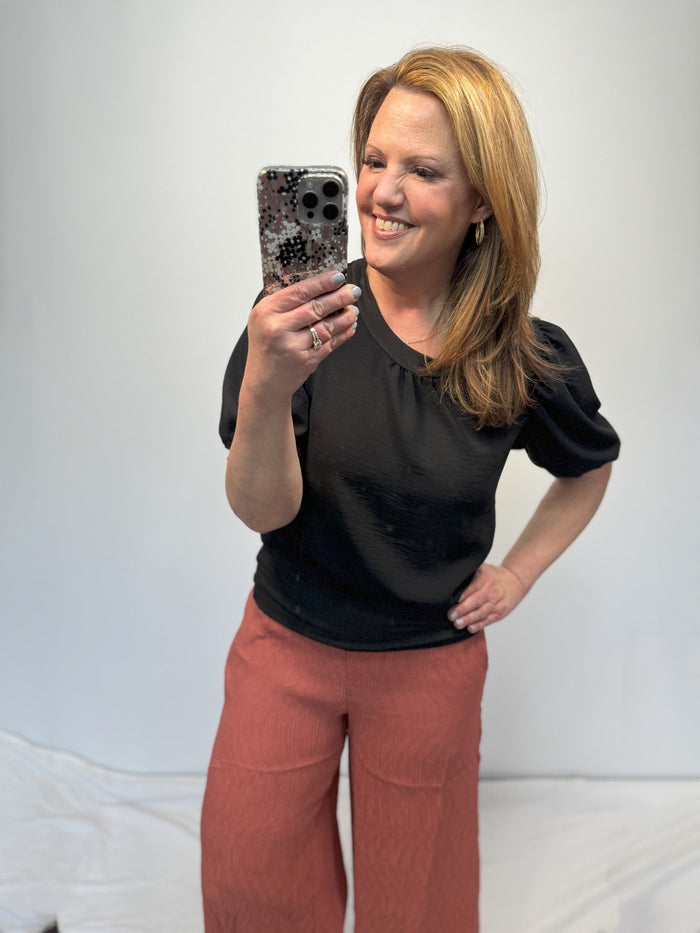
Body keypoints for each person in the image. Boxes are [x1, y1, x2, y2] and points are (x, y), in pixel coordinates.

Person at [200, 46, 620, 933]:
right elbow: (262, 511)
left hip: (429, 666)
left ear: (482, 201)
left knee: (418, 907)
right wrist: (268, 383)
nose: (381, 192)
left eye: (423, 171)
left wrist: (516, 574)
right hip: (287, 645)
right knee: (250, 885)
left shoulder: (523, 357)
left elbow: (588, 466)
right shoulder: (299, 324)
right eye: (373, 159)